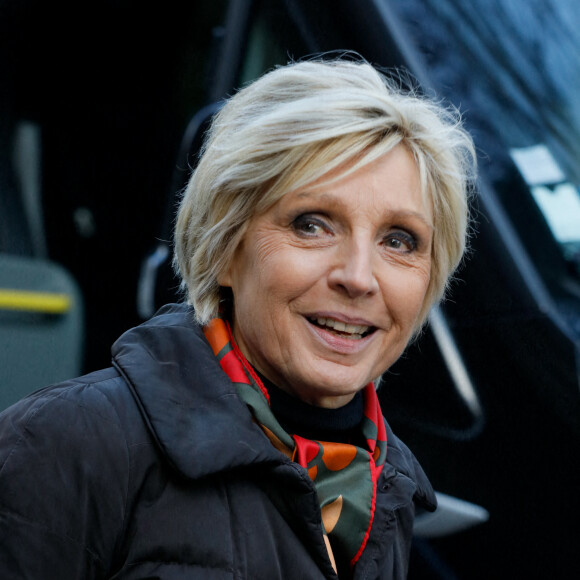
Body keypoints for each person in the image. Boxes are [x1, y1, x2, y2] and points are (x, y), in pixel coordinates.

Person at [0, 58, 476, 579]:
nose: (359, 276)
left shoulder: (389, 489)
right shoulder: (65, 444)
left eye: (398, 240)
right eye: (312, 225)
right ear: (225, 246)